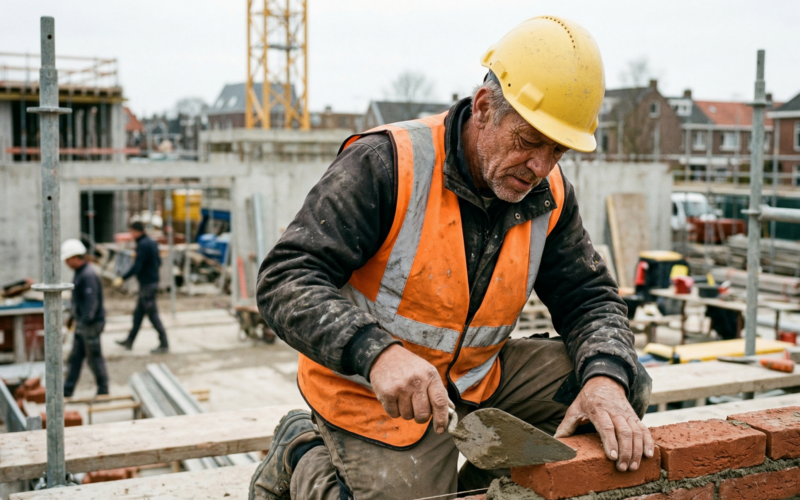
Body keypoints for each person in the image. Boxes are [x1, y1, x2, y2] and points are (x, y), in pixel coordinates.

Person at [251, 16, 653, 500]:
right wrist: (376, 353)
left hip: (478, 378)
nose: (540, 166)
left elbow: (589, 298)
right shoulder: (386, 163)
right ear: (484, 108)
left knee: (617, 385)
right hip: (370, 390)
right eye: (528, 141)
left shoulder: (548, 193)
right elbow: (285, 279)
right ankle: (301, 453)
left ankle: (484, 491)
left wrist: (605, 379)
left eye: (558, 150)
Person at [61, 239, 109, 398]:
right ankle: (67, 391)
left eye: (68, 260)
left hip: (91, 325)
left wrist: (82, 323)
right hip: (84, 324)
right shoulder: (80, 273)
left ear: (76, 257)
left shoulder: (87, 275)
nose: (66, 263)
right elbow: (79, 302)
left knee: (94, 358)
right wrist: (72, 318)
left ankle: (103, 390)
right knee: (75, 358)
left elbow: (90, 304)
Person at [114, 221, 169, 354]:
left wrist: (123, 278)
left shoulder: (143, 245)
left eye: (131, 232)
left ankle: (164, 343)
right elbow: (159, 262)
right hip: (151, 282)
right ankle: (129, 341)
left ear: (136, 231)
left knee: (153, 315)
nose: (131, 235)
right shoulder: (151, 242)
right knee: (138, 315)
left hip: (147, 284)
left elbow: (137, 266)